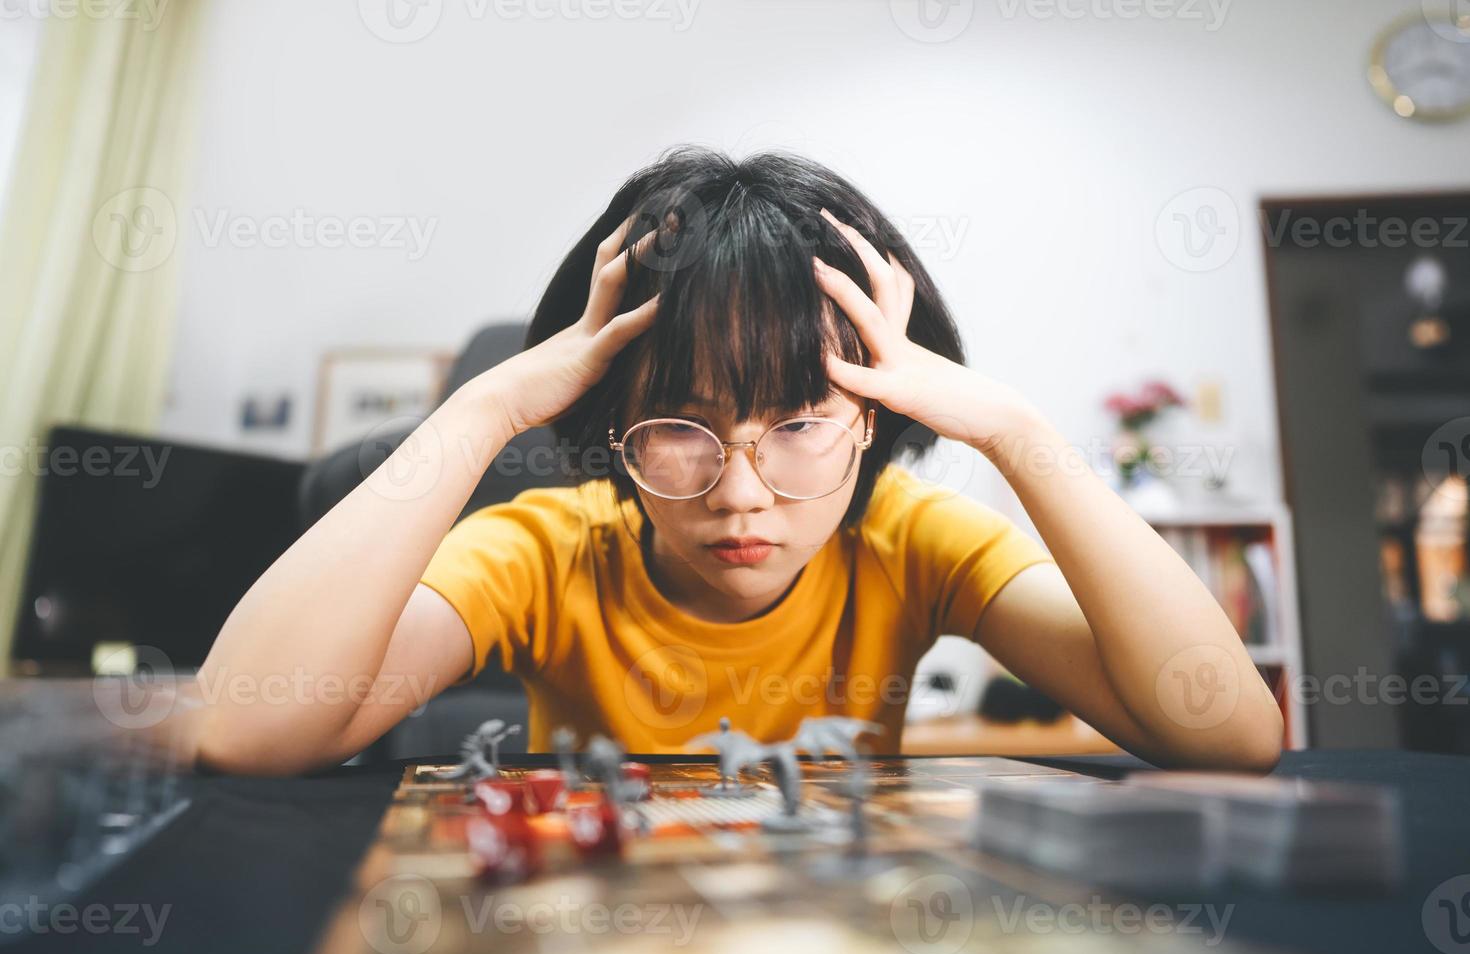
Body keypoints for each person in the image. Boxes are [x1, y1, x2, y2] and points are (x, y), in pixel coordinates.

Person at [195, 146, 1283, 776]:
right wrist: (489, 405)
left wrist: (1010, 428)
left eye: (802, 423)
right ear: (614, 428)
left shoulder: (916, 541)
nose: (742, 493)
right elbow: (244, 728)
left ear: (873, 420)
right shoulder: (544, 552)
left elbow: (1230, 735)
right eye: (682, 429)